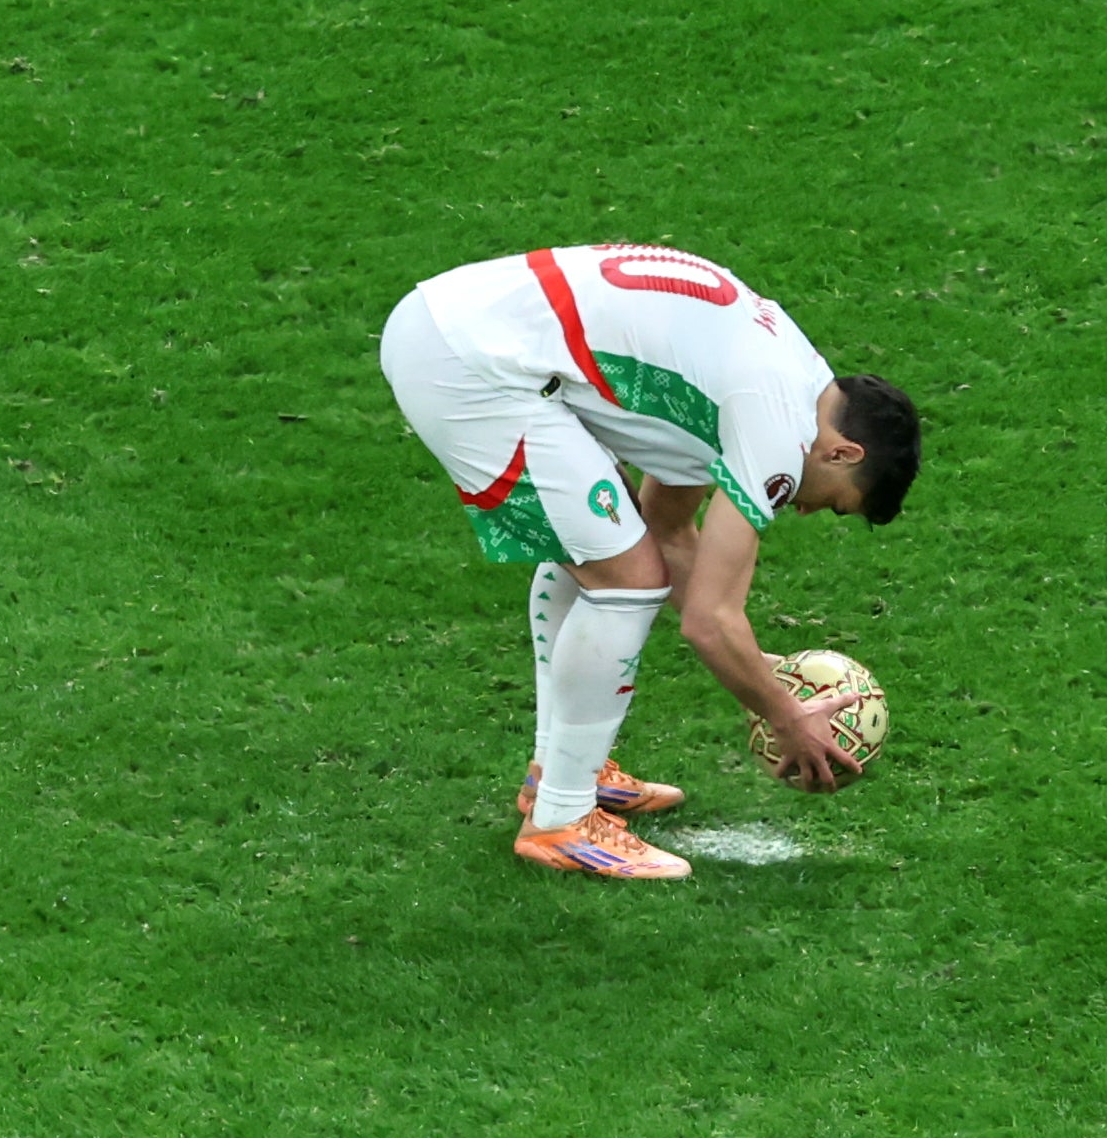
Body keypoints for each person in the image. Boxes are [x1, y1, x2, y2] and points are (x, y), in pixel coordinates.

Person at [379, 243, 923, 876]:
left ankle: (562, 771)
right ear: (844, 454)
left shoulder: (793, 377)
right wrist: (787, 715)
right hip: (471, 366)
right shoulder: (779, 431)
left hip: (464, 326)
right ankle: (560, 819)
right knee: (624, 577)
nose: (807, 511)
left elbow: (666, 526)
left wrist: (762, 671)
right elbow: (709, 620)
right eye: (835, 504)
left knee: (609, 549)